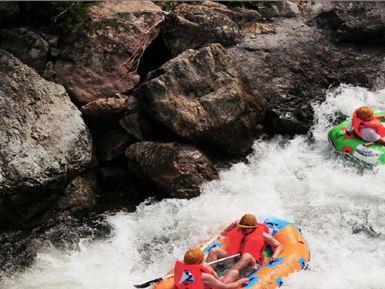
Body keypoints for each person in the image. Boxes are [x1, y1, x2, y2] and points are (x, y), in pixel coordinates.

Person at [206, 214, 283, 273]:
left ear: (254, 227)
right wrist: (223, 233)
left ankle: (227, 277)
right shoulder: (239, 226)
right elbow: (234, 223)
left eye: (246, 228)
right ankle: (206, 273)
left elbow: (278, 245)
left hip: (249, 263)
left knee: (246, 256)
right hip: (234, 257)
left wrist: (274, 256)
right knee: (214, 250)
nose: (243, 229)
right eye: (242, 227)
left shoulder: (263, 235)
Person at [174, 248, 249, 289]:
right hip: (214, 285)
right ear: (200, 262)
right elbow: (226, 287)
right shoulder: (204, 277)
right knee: (234, 273)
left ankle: (231, 261)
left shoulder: (179, 268)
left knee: (214, 251)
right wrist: (241, 281)